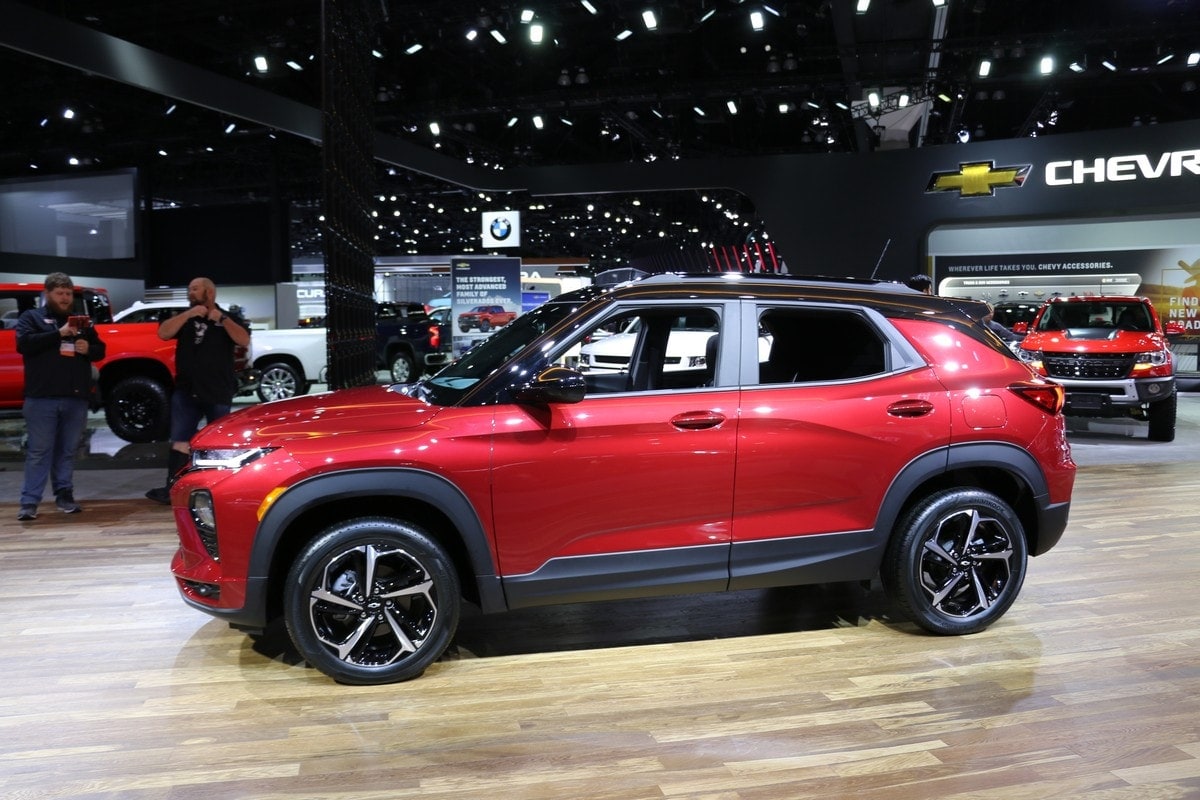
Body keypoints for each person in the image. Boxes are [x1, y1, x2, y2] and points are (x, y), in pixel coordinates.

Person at [145, 277, 251, 504]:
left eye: (195, 289)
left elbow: (243, 340)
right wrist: (187, 315)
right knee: (180, 440)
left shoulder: (227, 317)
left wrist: (222, 319)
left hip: (217, 389)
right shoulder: (185, 317)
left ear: (210, 293)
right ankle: (173, 489)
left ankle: (221, 490)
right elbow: (163, 333)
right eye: (189, 289)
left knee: (219, 442)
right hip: (186, 389)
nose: (190, 293)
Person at [15, 272, 106, 520]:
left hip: (75, 397)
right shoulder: (31, 317)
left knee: (67, 450)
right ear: (47, 295)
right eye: (60, 293)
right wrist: (60, 334)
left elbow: (100, 350)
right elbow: (24, 344)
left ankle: (64, 495)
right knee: (39, 451)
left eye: (68, 293)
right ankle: (29, 502)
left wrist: (90, 348)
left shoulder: (82, 322)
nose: (65, 298)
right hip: (41, 397)